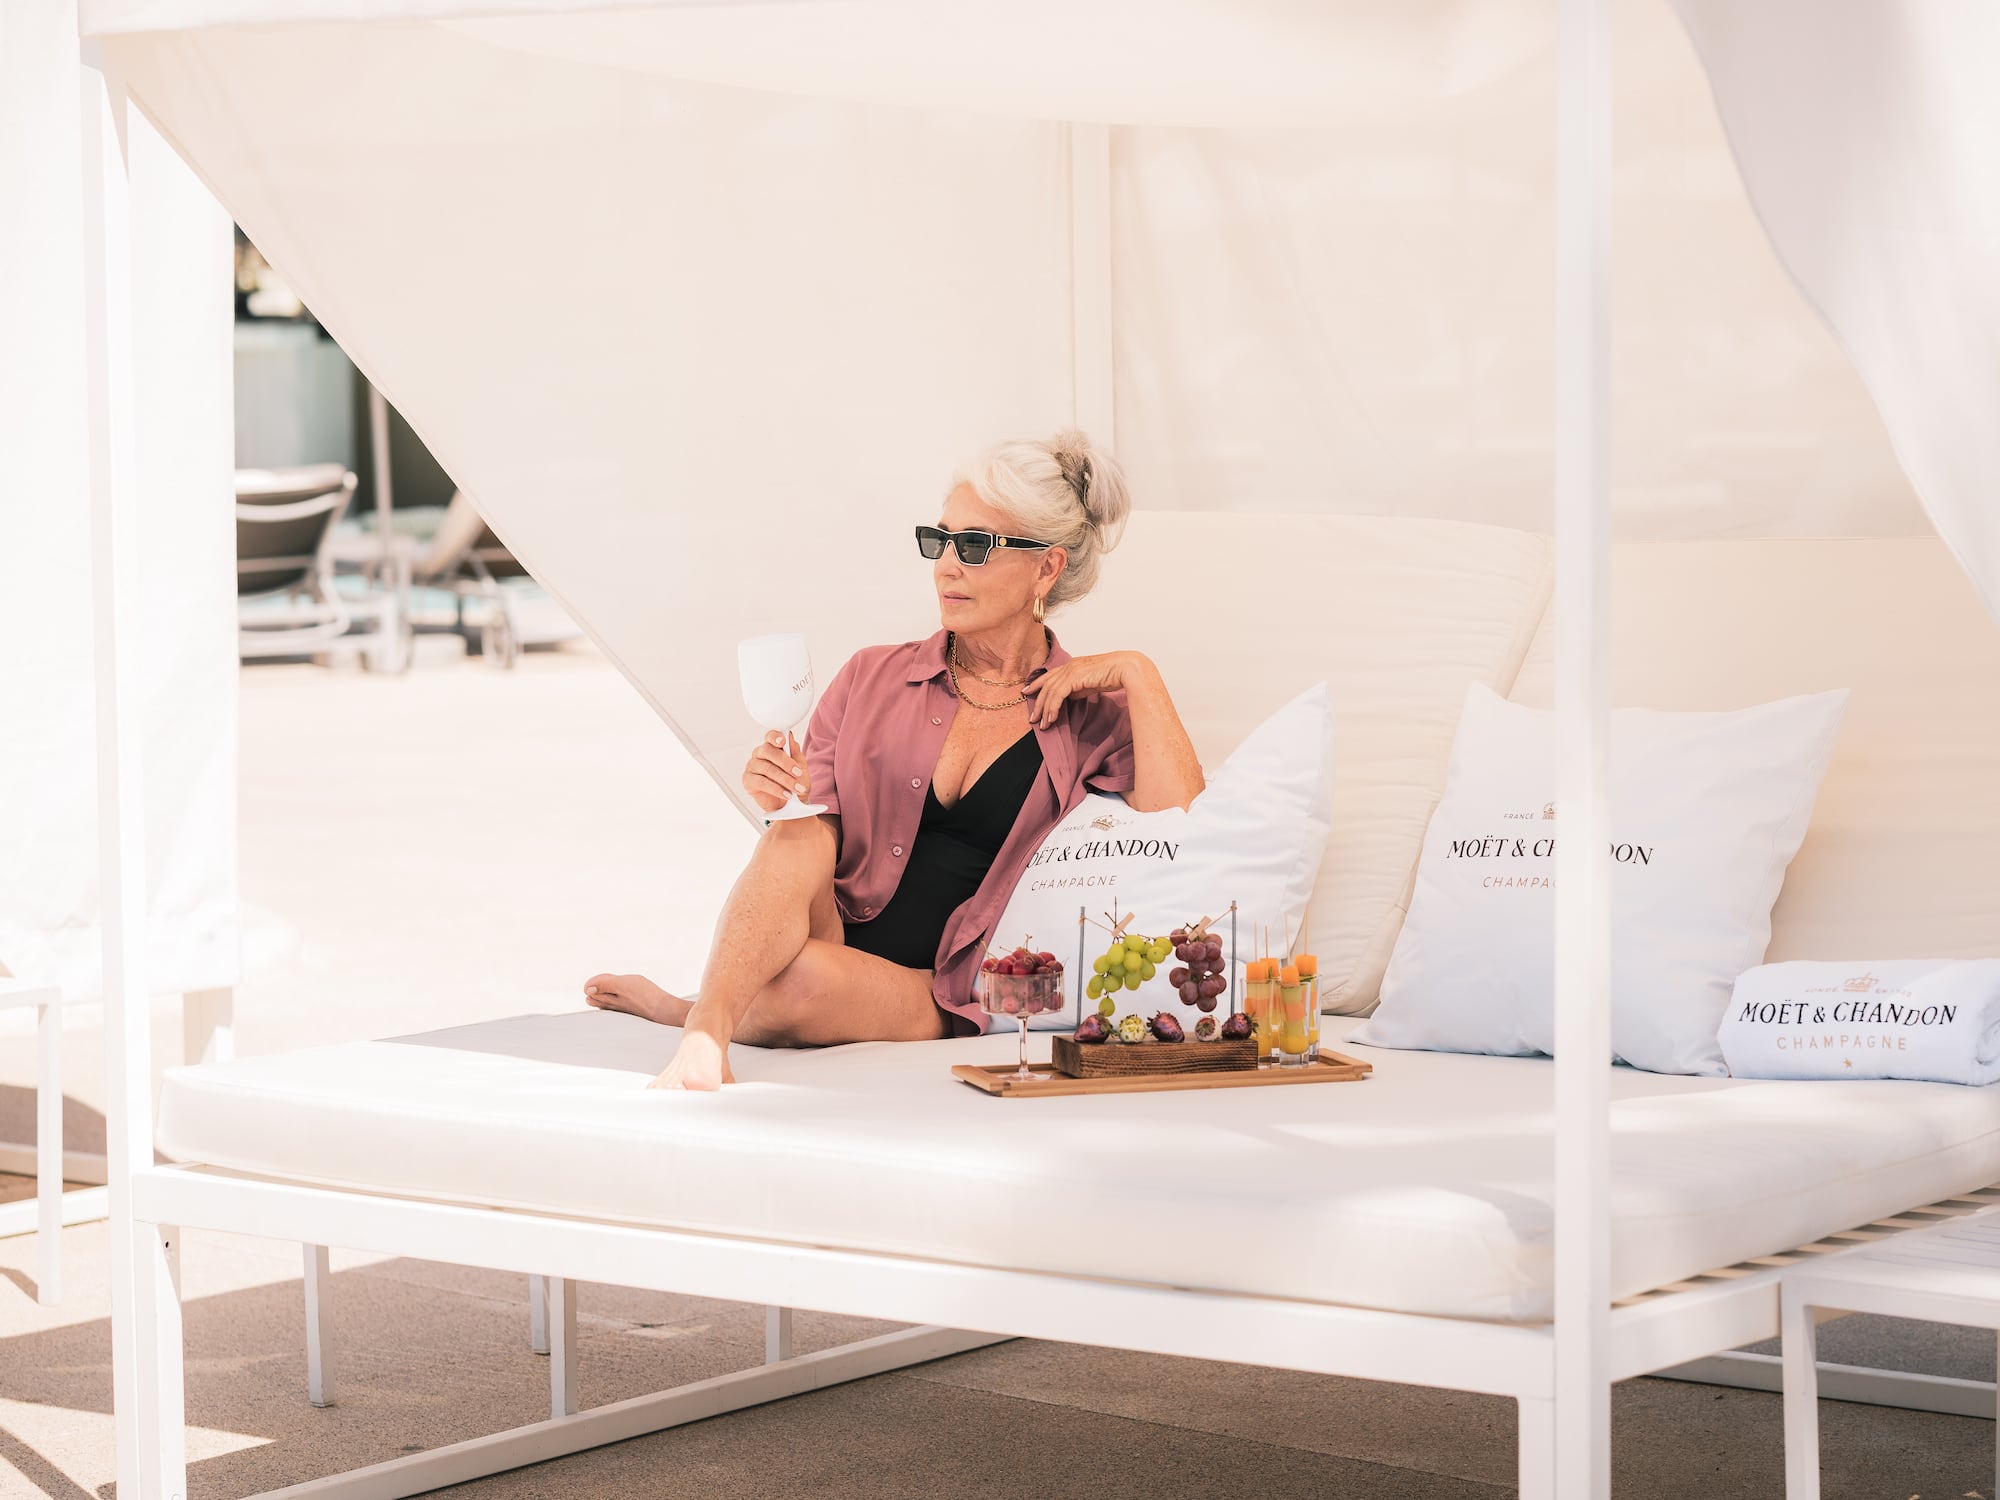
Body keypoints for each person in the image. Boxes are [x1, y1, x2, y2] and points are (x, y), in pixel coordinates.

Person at [583, 430, 1205, 1089]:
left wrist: (1140, 675)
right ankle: (706, 1032)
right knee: (799, 832)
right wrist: (783, 799)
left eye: (975, 546)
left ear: (1046, 568)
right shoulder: (871, 676)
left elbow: (1190, 838)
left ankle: (683, 1007)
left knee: (797, 985)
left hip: (941, 986)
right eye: (939, 541)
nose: (945, 567)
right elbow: (809, 842)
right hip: (834, 926)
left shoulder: (1090, 714)